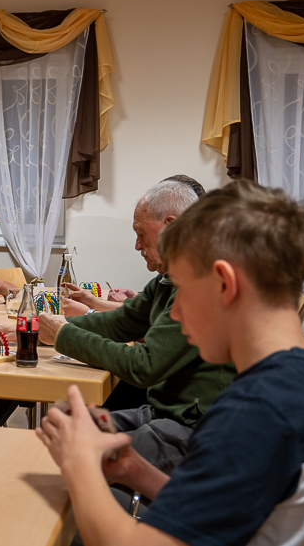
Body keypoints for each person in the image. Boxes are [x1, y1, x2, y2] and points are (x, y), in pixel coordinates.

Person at [36, 181, 304, 546]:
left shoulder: (254, 414)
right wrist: (134, 469)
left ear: (225, 284)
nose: (175, 312)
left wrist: (80, 464)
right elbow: (233, 508)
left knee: (63, 513)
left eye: (182, 289)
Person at [38, 179, 235, 473]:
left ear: (170, 225)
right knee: (64, 429)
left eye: (141, 233)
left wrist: (63, 334)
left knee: (74, 455)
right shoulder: (170, 278)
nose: (137, 245)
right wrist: (51, 328)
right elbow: (120, 322)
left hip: (197, 428)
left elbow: (144, 366)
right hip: (164, 410)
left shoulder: (203, 280)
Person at [58, 174, 207, 316]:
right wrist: (94, 303)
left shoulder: (198, 279)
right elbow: (142, 315)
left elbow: (148, 327)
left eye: (141, 234)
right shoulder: (171, 275)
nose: (137, 246)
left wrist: (86, 313)